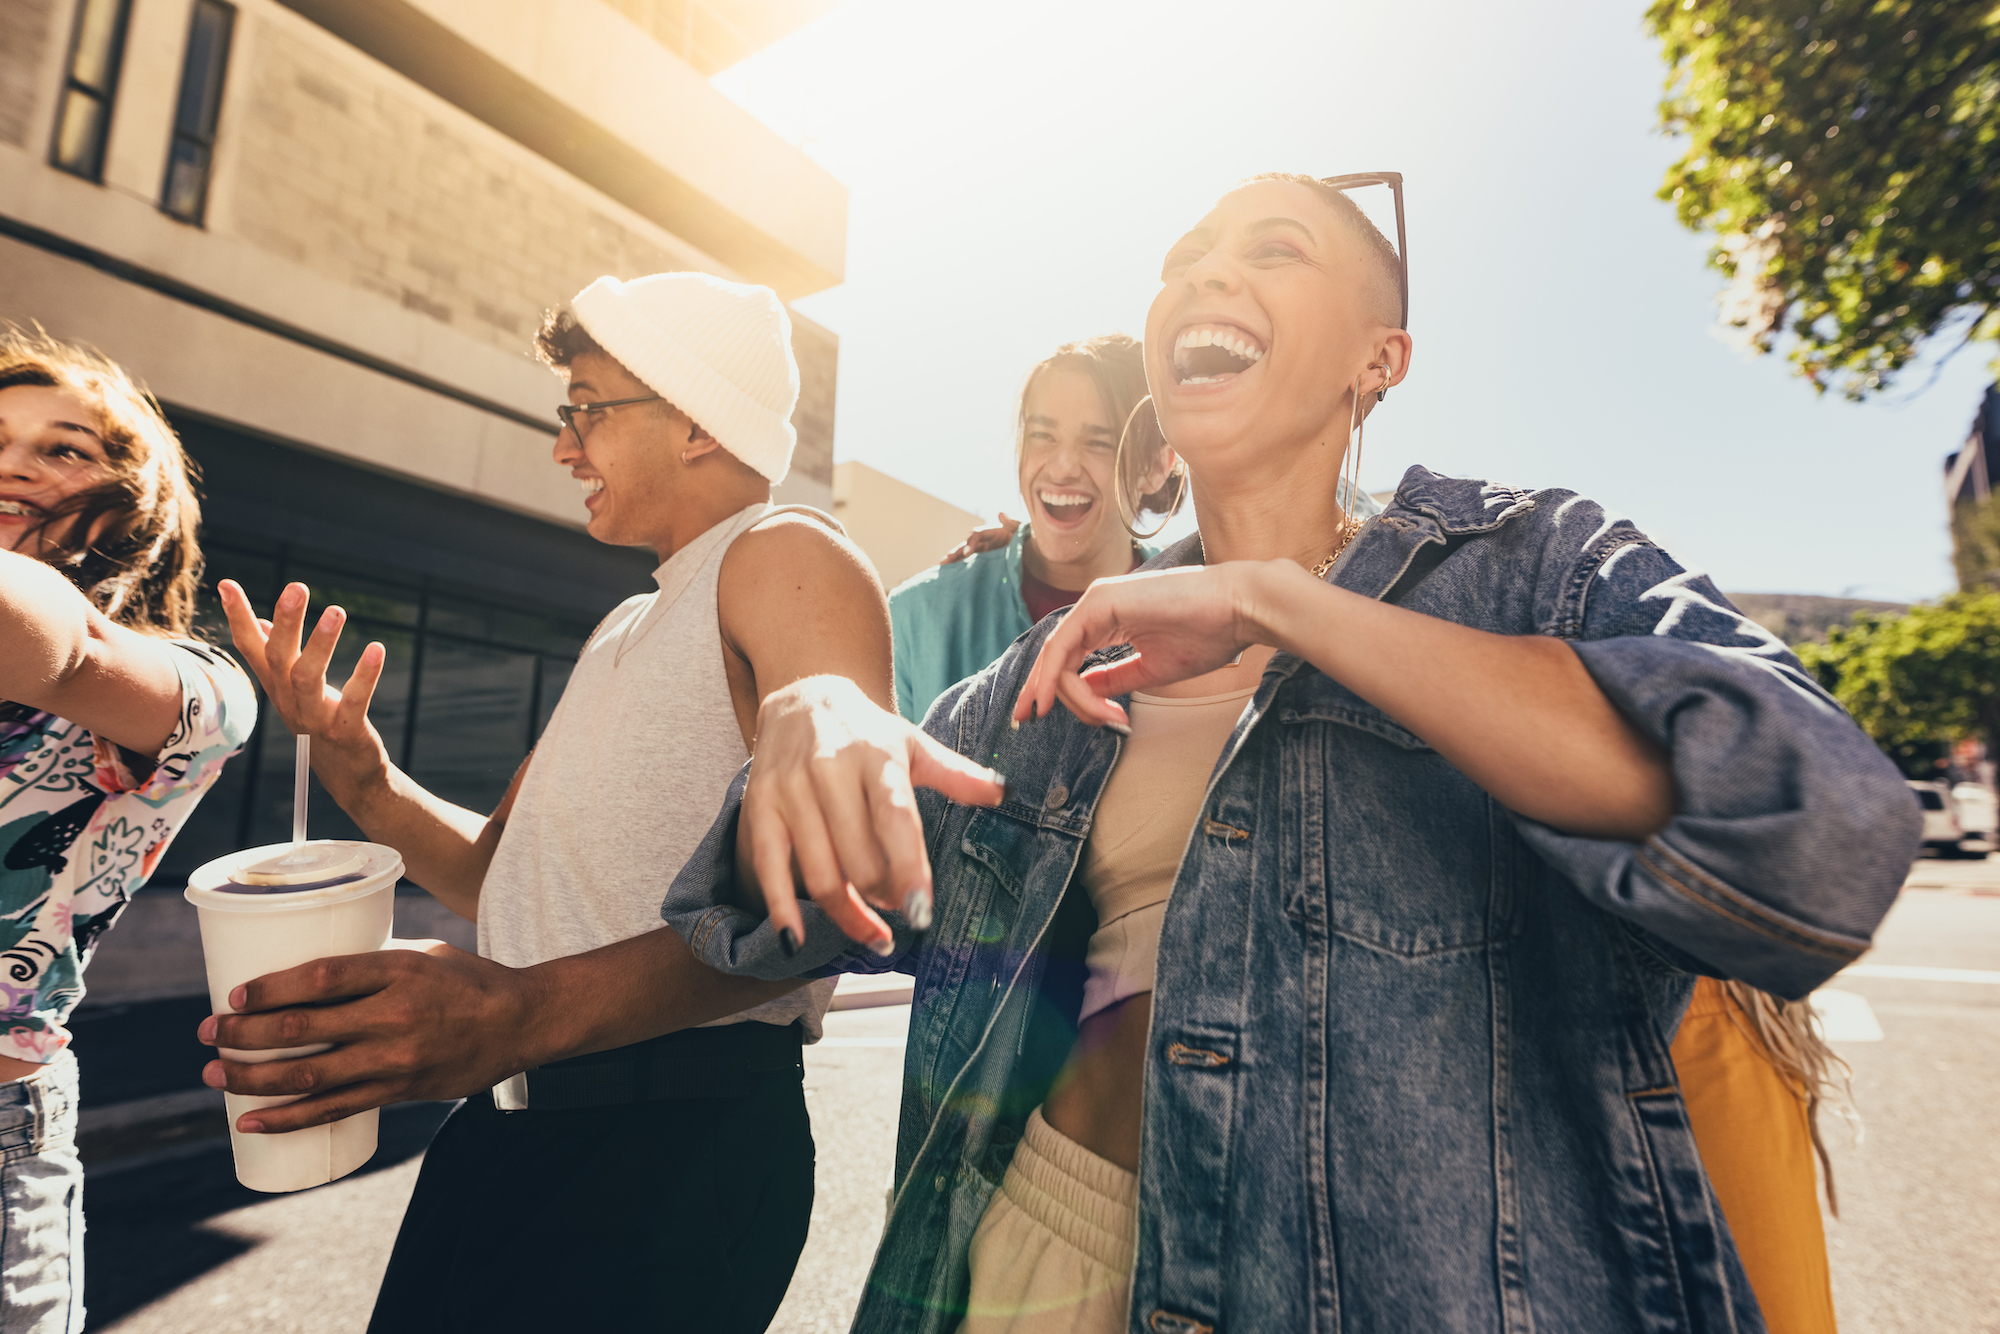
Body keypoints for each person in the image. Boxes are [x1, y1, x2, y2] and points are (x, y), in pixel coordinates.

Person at [660, 174, 1919, 1333]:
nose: (1206, 274)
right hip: (1046, 1248)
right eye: (1185, 255)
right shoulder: (1055, 668)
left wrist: (1278, 603)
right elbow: (748, 914)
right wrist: (815, 714)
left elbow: (1814, 824)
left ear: (1382, 359)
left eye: (1274, 246)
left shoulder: (1531, 565)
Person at [209, 272, 886, 1333]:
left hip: (673, 1146)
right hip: (506, 1126)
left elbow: (835, 886)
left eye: (587, 408)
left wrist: (522, 1011)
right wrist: (361, 770)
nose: (565, 445)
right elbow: (495, 874)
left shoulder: (785, 553)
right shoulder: (621, 623)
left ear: (698, 422)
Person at [0, 328, 255, 1333]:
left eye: (64, 448)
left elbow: (48, 639)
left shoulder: (185, 688)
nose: (16, 458)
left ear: (135, 508)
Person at [896, 333, 1380, 722]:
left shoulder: (1200, 609)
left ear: (1157, 467)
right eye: (1042, 436)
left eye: (1099, 442)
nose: (1062, 467)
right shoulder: (917, 616)